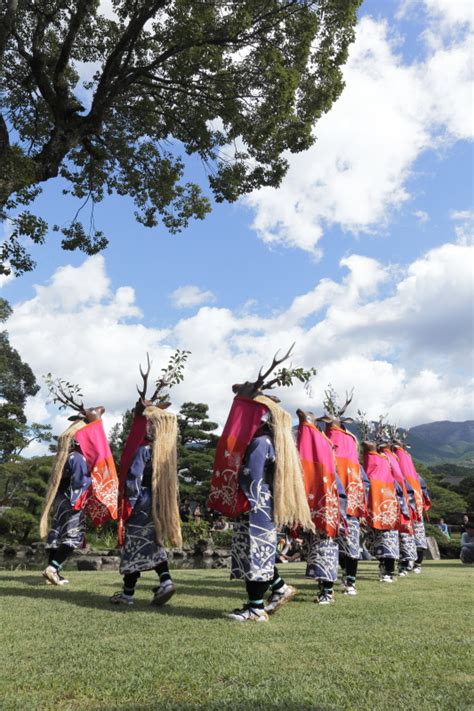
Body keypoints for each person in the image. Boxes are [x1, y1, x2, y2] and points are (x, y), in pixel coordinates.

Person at [208, 348, 314, 622]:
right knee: (258, 555)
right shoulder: (270, 442)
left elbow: (252, 478)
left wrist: (239, 501)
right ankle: (279, 589)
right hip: (261, 505)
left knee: (256, 555)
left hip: (255, 506)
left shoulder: (258, 443)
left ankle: (256, 608)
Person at [111, 355, 184, 606]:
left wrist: (128, 503)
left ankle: (129, 594)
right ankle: (164, 581)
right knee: (152, 543)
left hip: (141, 500)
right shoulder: (163, 452)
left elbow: (133, 477)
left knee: (134, 544)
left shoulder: (143, 449)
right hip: (157, 500)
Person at [40, 398, 118, 586]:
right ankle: (52, 568)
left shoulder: (64, 457)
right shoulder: (78, 458)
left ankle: (54, 573)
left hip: (59, 499)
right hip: (73, 499)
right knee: (72, 536)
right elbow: (80, 481)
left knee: (56, 536)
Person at [319, 387, 367, 596]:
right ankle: (340, 580)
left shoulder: (344, 442)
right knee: (339, 542)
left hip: (342, 498)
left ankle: (348, 580)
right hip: (339, 497)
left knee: (342, 542)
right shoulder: (331, 440)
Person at [297, 408, 345, 604]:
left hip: (327, 505)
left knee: (325, 548)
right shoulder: (316, 443)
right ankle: (323, 589)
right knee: (316, 550)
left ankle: (328, 591)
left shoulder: (324, 445)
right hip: (316, 504)